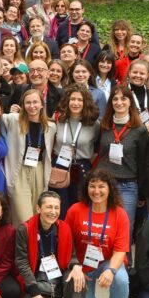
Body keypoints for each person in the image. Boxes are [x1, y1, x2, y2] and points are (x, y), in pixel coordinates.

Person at [65, 170, 132, 298]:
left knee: (121, 278)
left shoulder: (120, 214)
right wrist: (75, 266)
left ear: (110, 189)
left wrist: (110, 270)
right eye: (92, 186)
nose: (96, 191)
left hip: (106, 262)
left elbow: (121, 250)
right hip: (82, 266)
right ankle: (87, 297)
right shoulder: (75, 210)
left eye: (101, 186)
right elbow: (66, 241)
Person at [15, 192, 87, 298]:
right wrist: (34, 292)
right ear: (38, 209)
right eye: (48, 207)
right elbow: (21, 262)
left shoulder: (65, 228)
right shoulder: (25, 229)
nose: (53, 212)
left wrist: (76, 267)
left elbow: (73, 255)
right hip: (35, 276)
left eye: (56, 208)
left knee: (77, 279)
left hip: (58, 274)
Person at [95, 85, 149, 238]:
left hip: (128, 185)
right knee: (103, 225)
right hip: (103, 183)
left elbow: (143, 162)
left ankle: (125, 260)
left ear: (130, 102)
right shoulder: (104, 126)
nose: (119, 102)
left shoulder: (140, 129)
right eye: (115, 99)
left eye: (123, 99)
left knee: (125, 226)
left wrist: (142, 192)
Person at [2, 89, 56, 226]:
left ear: (42, 104)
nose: (32, 106)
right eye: (28, 103)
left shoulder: (50, 126)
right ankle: (22, 245)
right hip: (19, 170)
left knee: (38, 214)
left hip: (39, 170)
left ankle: (33, 246)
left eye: (35, 102)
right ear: (23, 105)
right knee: (23, 218)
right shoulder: (14, 119)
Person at [51, 84, 101, 218]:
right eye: (72, 99)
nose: (76, 103)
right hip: (59, 166)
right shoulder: (58, 119)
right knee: (59, 208)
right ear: (67, 101)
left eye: (80, 100)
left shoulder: (93, 124)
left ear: (86, 103)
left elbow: (97, 147)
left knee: (80, 208)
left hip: (82, 168)